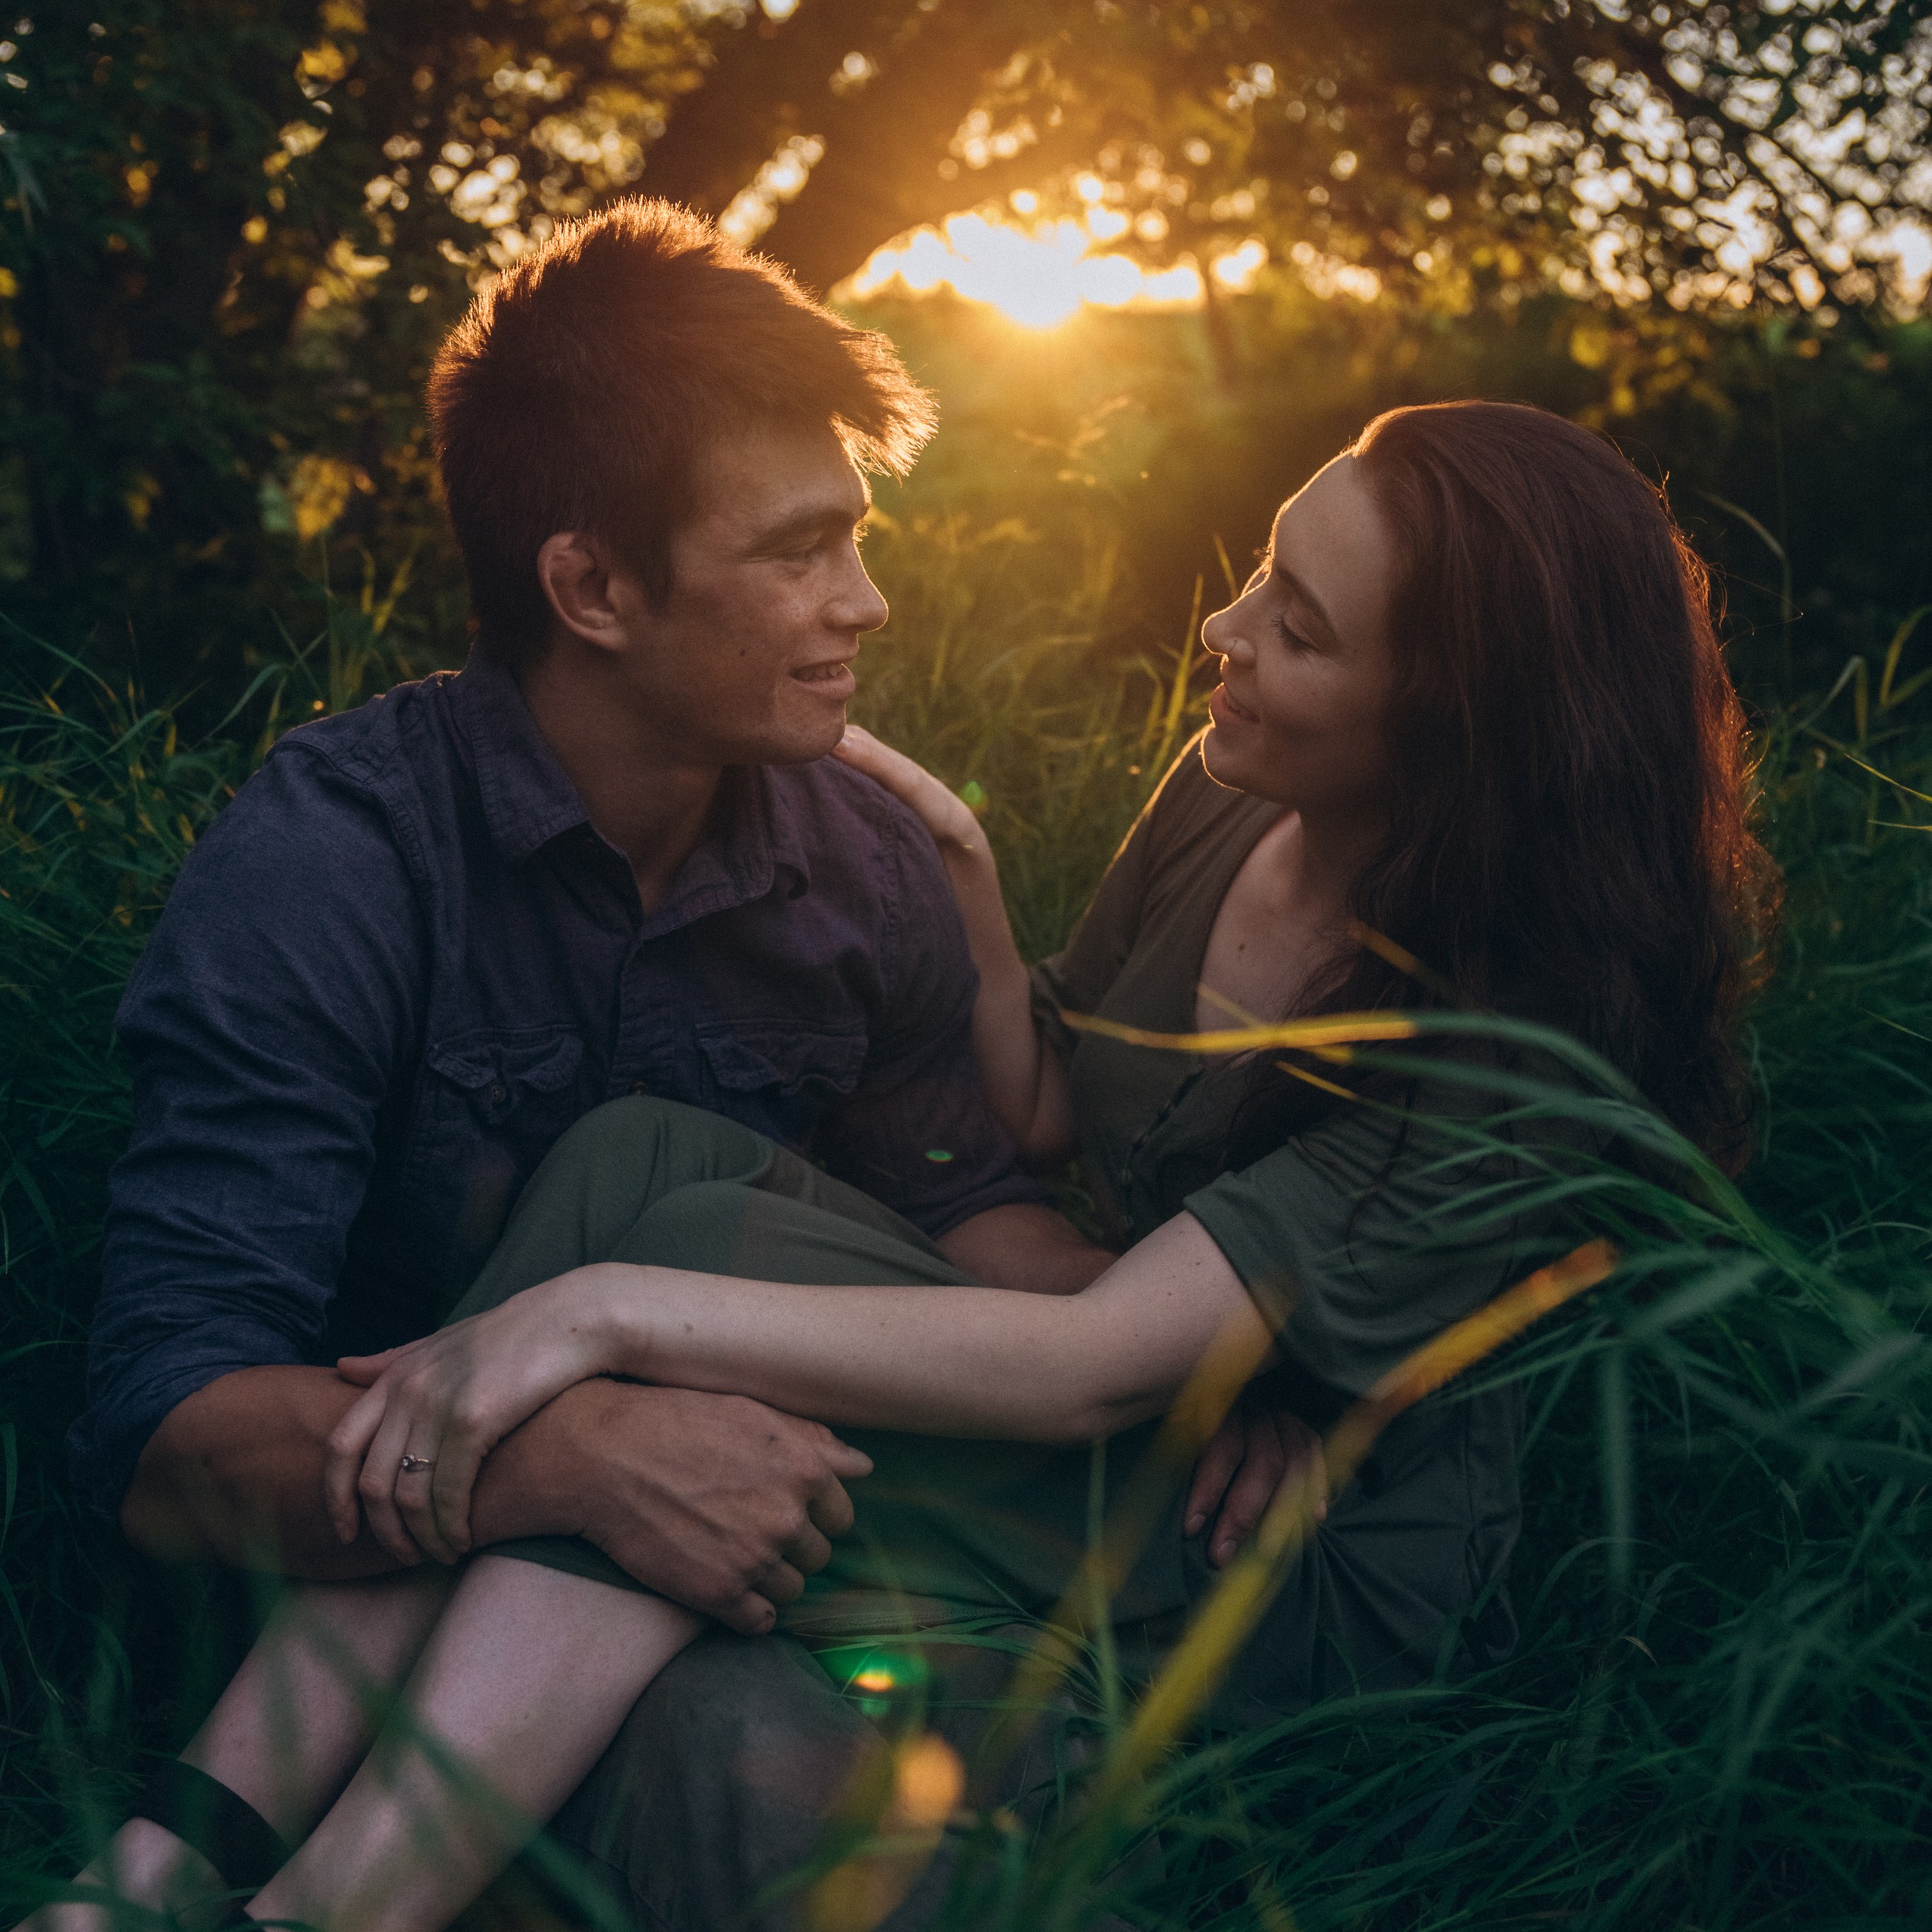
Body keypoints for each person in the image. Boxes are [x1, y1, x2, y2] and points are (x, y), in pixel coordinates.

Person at [41, 397, 1776, 1932]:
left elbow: (1094, 1368)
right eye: (1260, 567)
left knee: (663, 1315)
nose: (1224, 626)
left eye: (1299, 628)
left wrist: (591, 1312)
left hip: (1272, 1556)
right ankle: (173, 1863)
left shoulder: (1500, 1050)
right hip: (1159, 1377)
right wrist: (971, 894)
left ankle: (300, 1901)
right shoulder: (1236, 788)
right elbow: (1054, 1134)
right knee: (641, 1158)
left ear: (1448, 727)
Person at [44, 199, 1306, 1932]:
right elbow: (163, 1439)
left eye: (856, 535)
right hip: (373, 1613)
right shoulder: (335, 861)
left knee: (819, 1767)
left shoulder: (856, 862)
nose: (864, 601)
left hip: (750, 1547)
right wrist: (570, 1457)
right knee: (716, 1765)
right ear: (591, 586)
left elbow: (966, 1217)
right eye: (795, 549)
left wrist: (1246, 1338)